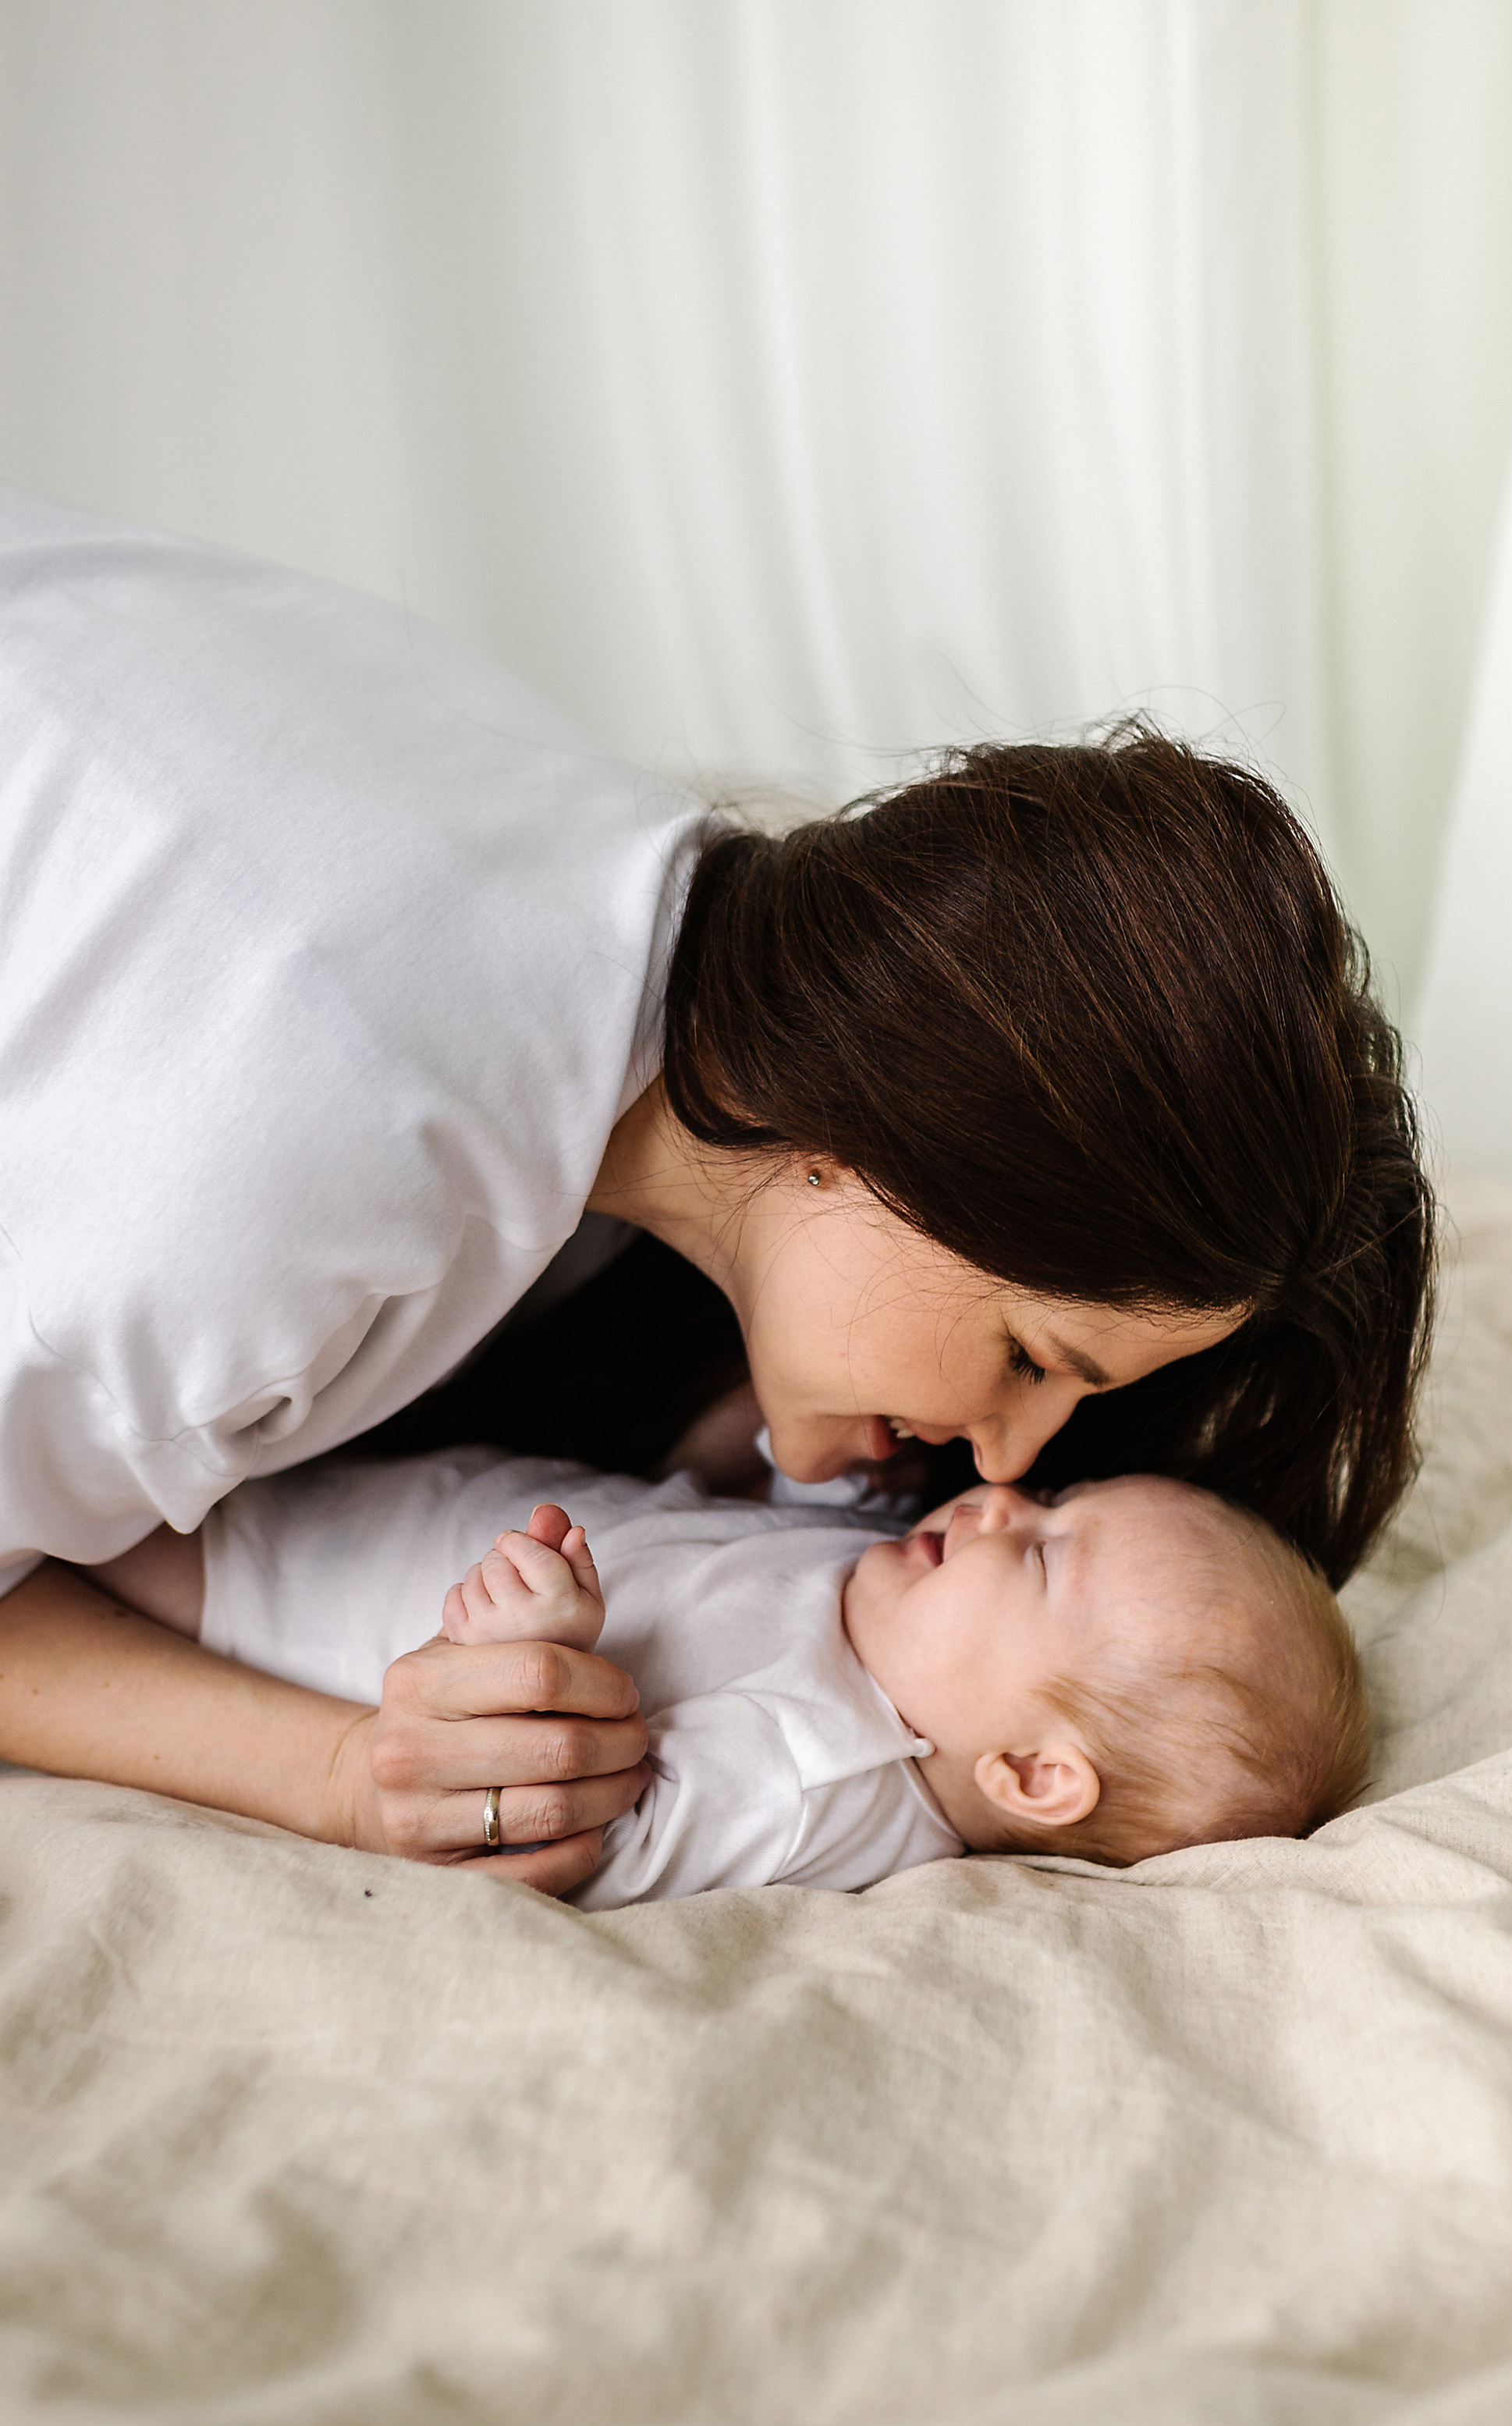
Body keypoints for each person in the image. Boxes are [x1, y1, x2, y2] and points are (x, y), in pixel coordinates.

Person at [0, 487, 1432, 1891]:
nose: (1004, 1464)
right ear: (888, 1127)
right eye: (1030, 1356)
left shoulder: (634, 906)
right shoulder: (273, 1186)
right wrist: (337, 1773)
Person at [96, 1451, 1369, 1894]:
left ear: (1033, 1771)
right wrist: (804, 1473)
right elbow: (748, 1551)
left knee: (65, 1536)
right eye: (1048, 1497)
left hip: (277, 1605)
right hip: (341, 1494)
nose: (994, 1504)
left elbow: (584, 1830)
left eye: (1037, 1556)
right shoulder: (903, 1611)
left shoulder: (817, 1782)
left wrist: (521, 1655)